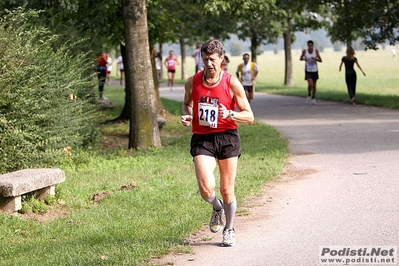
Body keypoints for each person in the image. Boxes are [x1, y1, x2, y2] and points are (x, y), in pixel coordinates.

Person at [181, 39, 254, 247]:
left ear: (221, 59)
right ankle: (216, 207)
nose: (209, 63)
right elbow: (187, 104)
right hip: (203, 138)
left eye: (213, 59)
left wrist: (230, 113)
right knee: (206, 188)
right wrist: (187, 115)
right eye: (205, 59)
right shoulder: (192, 82)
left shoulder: (231, 82)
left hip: (227, 137)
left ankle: (229, 229)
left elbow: (249, 116)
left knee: (227, 190)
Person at [300, 40, 322, 105]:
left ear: (313, 45)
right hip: (308, 69)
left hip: (315, 69)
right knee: (311, 84)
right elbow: (300, 58)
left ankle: (313, 97)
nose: (309, 47)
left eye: (311, 45)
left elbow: (321, 60)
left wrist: (315, 59)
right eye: (308, 45)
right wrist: (304, 59)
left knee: (314, 85)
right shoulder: (305, 51)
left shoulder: (316, 51)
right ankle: (309, 94)